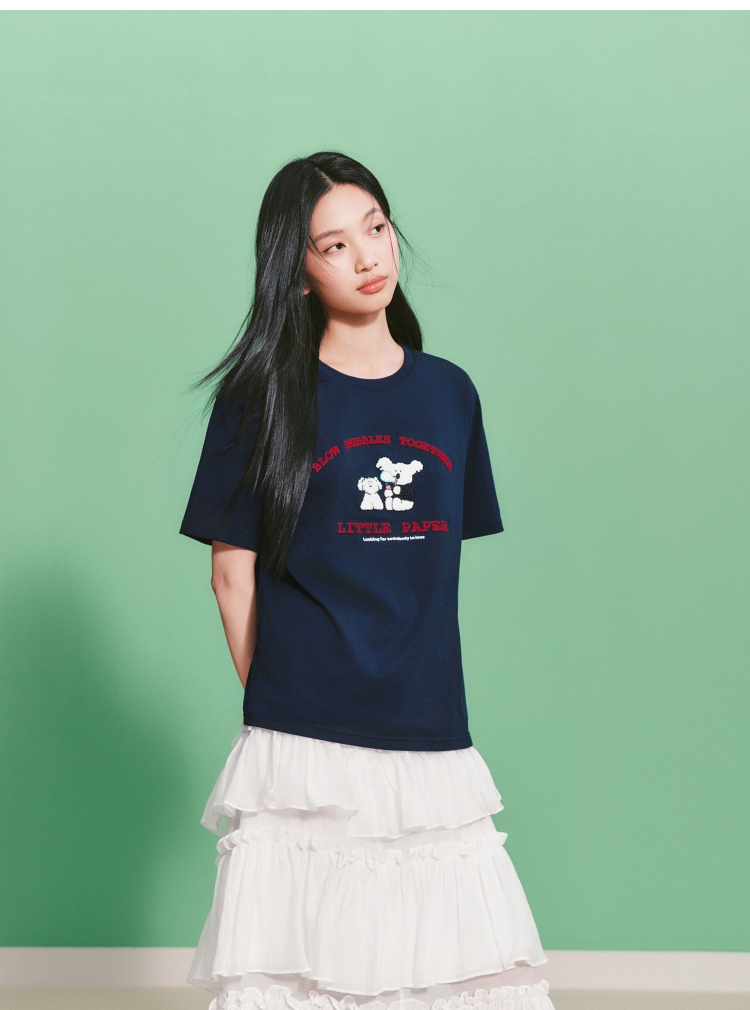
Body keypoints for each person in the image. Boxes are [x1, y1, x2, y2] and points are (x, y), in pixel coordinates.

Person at [179, 151, 556, 1010]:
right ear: (299, 272)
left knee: (445, 966)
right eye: (335, 245)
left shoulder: (449, 395)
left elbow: (430, 569)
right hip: (303, 732)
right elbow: (231, 574)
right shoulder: (260, 399)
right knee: (304, 970)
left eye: (375, 229)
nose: (368, 256)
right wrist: (280, 701)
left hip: (428, 720)